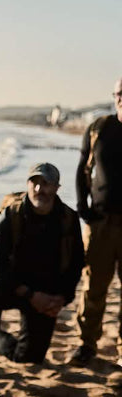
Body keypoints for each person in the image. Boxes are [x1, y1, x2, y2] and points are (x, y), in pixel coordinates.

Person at [0, 163, 84, 378]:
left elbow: (76, 263)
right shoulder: (11, 214)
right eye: (34, 183)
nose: (39, 189)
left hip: (47, 292)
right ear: (27, 185)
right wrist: (27, 293)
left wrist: (62, 298)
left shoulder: (68, 218)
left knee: (29, 358)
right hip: (15, 285)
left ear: (56, 187)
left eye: (46, 184)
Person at [72, 78, 122, 366]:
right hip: (101, 223)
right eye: (119, 93)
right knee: (94, 287)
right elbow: (82, 169)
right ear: (114, 96)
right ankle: (86, 343)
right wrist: (82, 206)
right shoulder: (99, 129)